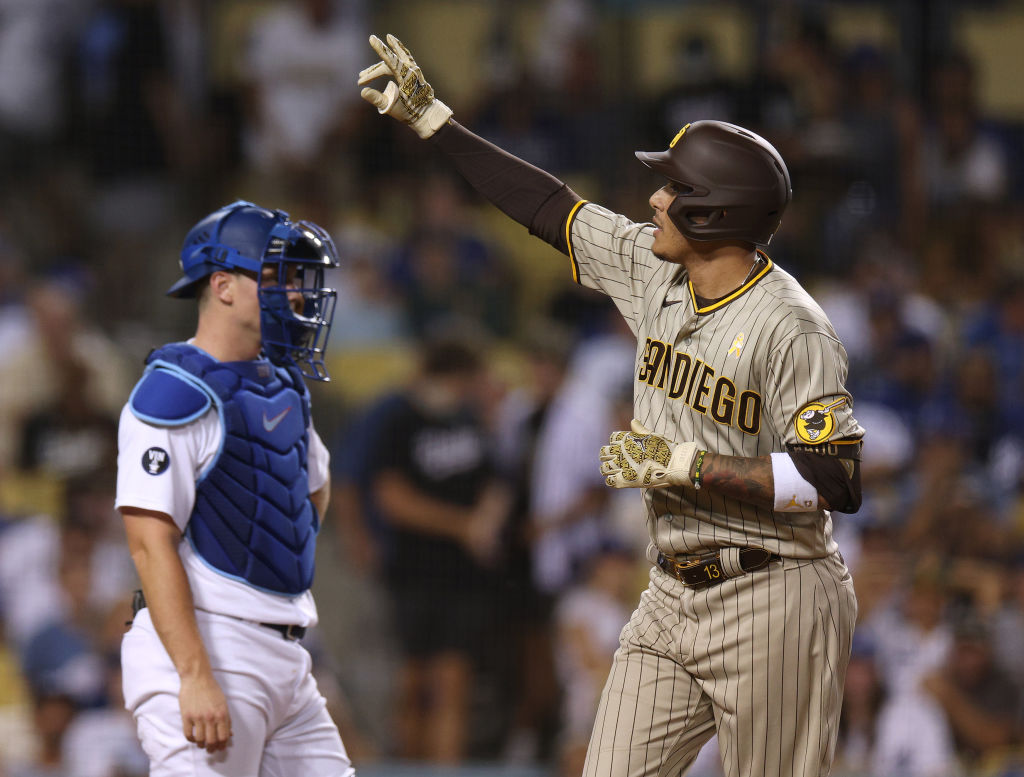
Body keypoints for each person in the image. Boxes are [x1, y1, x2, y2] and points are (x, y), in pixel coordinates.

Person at [358, 34, 864, 777]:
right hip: (670, 589)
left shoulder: (793, 328)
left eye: (674, 191)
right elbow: (548, 207)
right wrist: (436, 121)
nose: (655, 199)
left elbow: (834, 480)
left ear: (715, 215)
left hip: (776, 596)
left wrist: (686, 463)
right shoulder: (650, 268)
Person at [114, 200, 355, 775]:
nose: (297, 291)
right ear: (222, 286)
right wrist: (194, 673)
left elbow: (311, 491)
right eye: (277, 274)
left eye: (299, 276)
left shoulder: (284, 385)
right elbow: (149, 543)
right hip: (208, 645)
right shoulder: (172, 394)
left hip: (286, 655)